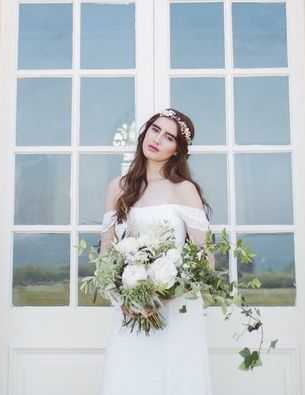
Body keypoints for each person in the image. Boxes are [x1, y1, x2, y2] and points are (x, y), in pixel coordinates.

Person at [99, 109, 213, 395]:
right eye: (154, 130)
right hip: (131, 311)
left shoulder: (183, 189)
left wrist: (166, 295)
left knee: (175, 381)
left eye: (168, 137)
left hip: (176, 309)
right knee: (130, 380)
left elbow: (205, 256)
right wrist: (122, 298)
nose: (158, 139)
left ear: (177, 151)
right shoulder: (118, 187)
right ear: (145, 132)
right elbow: (106, 253)